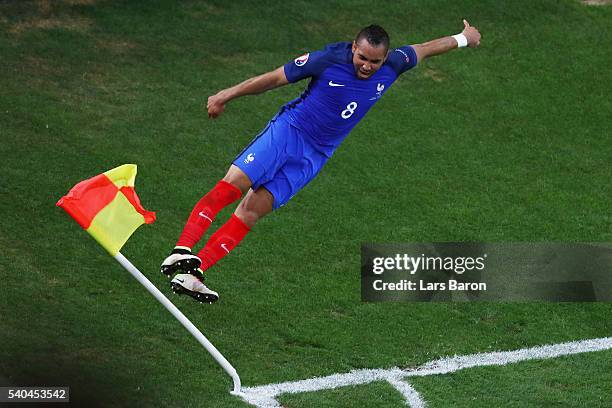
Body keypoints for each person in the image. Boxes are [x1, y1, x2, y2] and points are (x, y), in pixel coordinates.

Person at [161, 21, 481, 303]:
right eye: (363, 57)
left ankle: (193, 274)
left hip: (315, 155)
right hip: (289, 132)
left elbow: (427, 48)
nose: (368, 66)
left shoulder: (396, 63)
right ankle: (182, 250)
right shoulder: (328, 59)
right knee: (233, 186)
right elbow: (274, 78)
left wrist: (465, 37)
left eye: (375, 61)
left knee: (252, 210)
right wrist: (225, 95)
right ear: (354, 47)